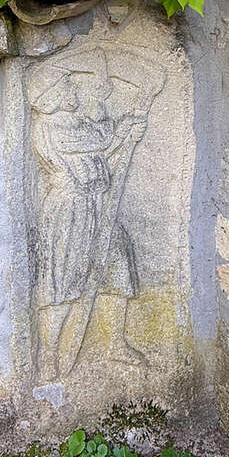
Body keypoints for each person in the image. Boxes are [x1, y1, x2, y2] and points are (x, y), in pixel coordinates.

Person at [29, 59, 147, 381]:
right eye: (66, 85)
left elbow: (102, 152)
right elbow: (98, 139)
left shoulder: (75, 121)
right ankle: (49, 354)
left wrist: (127, 134)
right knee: (65, 282)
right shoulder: (51, 127)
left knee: (118, 263)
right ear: (53, 94)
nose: (72, 89)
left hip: (98, 206)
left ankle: (115, 343)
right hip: (70, 212)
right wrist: (118, 121)